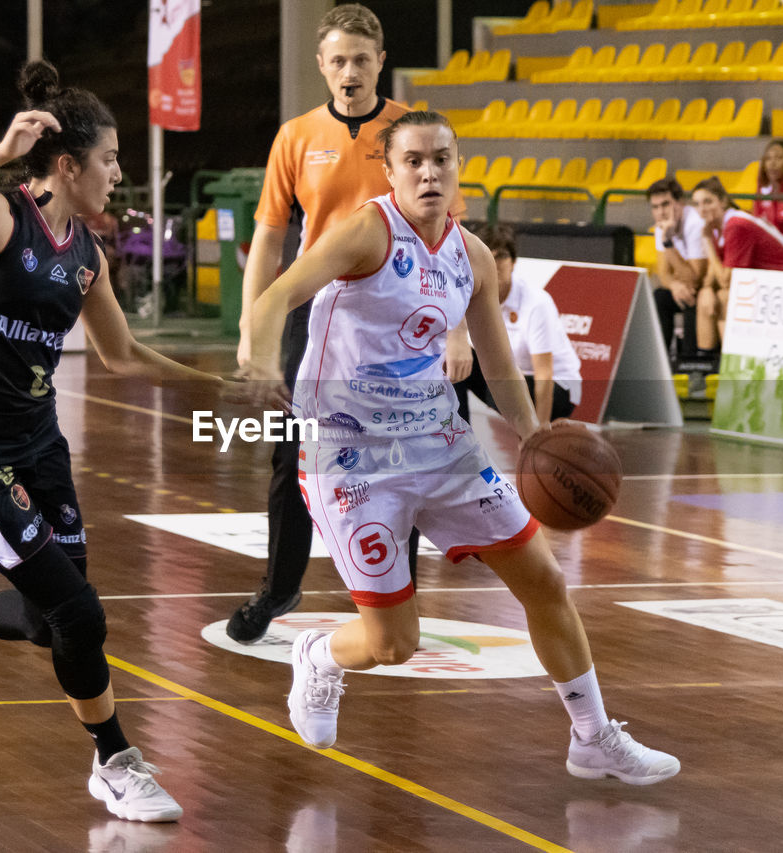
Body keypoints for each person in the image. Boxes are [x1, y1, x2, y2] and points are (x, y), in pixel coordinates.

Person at [242, 110, 679, 784]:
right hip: (351, 456)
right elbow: (277, 296)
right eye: (413, 160)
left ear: (458, 166)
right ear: (389, 172)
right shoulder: (365, 231)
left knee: (545, 579)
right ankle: (320, 655)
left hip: (441, 444)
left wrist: (536, 439)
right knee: (394, 644)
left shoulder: (471, 256)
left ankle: (593, 736)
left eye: (441, 158)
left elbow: (499, 367)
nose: (428, 172)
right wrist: (261, 357)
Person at [0, 59, 235, 823]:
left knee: (54, 618)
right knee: (81, 616)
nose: (118, 174)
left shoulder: (86, 254)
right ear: (68, 164)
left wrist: (220, 385)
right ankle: (115, 761)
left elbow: (122, 354)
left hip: (40, 446)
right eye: (110, 159)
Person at [228, 3, 471, 644]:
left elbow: (450, 235)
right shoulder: (296, 136)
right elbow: (269, 238)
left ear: (380, 62)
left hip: (399, 307)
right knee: (291, 452)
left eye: (362, 59)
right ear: (322, 66)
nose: (350, 71)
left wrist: (458, 328)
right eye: (338, 60)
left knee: (408, 446)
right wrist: (254, 334)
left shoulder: (411, 135)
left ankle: (401, 591)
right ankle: (279, 587)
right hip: (314, 308)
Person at [453, 223, 582, 424]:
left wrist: (539, 433)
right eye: (487, 255)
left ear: (513, 262)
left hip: (558, 388)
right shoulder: (466, 292)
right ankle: (458, 437)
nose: (494, 264)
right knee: (453, 360)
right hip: (512, 378)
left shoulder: (536, 302)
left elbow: (544, 374)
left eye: (501, 256)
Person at [694, 177, 783, 350]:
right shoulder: (716, 227)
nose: (702, 209)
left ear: (723, 201)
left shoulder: (736, 225)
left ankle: (728, 365)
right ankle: (701, 365)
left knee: (726, 297)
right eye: (697, 204)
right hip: (767, 282)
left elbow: (726, 281)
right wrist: (707, 287)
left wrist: (707, 243)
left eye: (708, 202)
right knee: (705, 296)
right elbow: (713, 273)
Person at [647, 177, 707, 359]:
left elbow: (695, 278)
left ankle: (689, 364)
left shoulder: (695, 223)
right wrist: (674, 286)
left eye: (665, 204)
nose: (660, 212)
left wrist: (667, 242)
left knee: (691, 298)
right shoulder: (662, 227)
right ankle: (660, 361)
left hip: (705, 286)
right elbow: (663, 273)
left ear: (680, 202)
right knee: (660, 296)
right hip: (685, 286)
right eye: (655, 207)